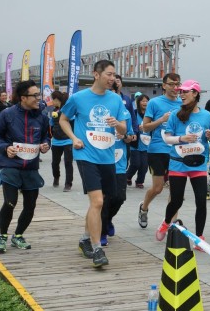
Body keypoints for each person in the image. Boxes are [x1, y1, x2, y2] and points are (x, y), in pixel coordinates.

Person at [59, 60, 128, 268]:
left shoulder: (115, 99)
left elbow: (124, 129)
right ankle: (98, 249)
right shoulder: (78, 98)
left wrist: (117, 125)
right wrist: (74, 138)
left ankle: (84, 239)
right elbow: (63, 119)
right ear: (96, 74)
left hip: (107, 156)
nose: (112, 78)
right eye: (109, 74)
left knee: (101, 201)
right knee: (97, 201)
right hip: (85, 154)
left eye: (114, 75)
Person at [0, 80, 50, 253]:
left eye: (39, 94)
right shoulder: (7, 114)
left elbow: (46, 137)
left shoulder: (42, 117)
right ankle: (2, 236)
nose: (39, 98)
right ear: (23, 98)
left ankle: (18, 236)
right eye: (35, 95)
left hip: (31, 167)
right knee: (10, 202)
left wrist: (45, 145)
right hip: (10, 165)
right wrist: (5, 148)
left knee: (30, 206)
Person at [155, 80, 210, 246]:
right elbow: (167, 138)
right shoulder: (175, 114)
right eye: (180, 92)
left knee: (201, 201)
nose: (181, 94)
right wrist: (182, 138)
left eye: (185, 91)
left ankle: (199, 238)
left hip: (198, 163)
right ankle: (166, 222)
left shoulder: (206, 115)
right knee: (177, 200)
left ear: (195, 94)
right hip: (178, 163)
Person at [137, 73, 182, 229]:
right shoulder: (154, 103)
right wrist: (162, 120)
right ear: (164, 85)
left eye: (177, 84)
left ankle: (171, 223)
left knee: (176, 191)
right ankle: (144, 208)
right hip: (157, 150)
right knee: (158, 188)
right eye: (171, 84)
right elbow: (145, 127)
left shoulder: (182, 104)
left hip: (176, 151)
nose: (175, 87)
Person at [101, 97, 134, 246]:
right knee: (104, 199)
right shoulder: (98, 112)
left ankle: (108, 219)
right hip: (101, 160)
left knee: (119, 197)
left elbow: (131, 137)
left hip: (119, 161)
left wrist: (124, 136)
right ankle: (102, 232)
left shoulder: (124, 114)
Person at [49, 91, 74, 192]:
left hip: (68, 140)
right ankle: (56, 177)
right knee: (55, 163)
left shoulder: (67, 110)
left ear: (57, 99)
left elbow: (73, 121)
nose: (52, 102)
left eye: (53, 99)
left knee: (68, 162)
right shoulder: (54, 111)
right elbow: (51, 123)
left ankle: (68, 183)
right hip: (56, 141)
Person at [126, 94, 150, 188]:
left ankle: (140, 181)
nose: (145, 103)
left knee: (144, 165)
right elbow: (130, 124)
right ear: (138, 102)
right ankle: (127, 177)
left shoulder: (150, 114)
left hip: (146, 144)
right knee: (135, 163)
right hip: (135, 143)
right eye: (143, 101)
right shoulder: (134, 113)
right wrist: (137, 127)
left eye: (147, 101)